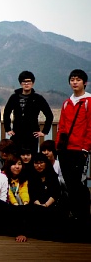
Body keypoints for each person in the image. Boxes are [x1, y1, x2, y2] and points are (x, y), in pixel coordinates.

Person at [56, 69, 91, 220]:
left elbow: (90, 127)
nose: (75, 82)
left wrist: (85, 147)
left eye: (78, 79)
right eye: (72, 80)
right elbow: (62, 126)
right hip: (65, 150)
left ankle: (83, 215)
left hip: (80, 150)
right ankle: (73, 214)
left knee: (78, 183)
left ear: (85, 82)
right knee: (69, 183)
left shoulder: (88, 101)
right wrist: (58, 146)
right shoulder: (66, 103)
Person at [3, 70, 54, 153]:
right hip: (17, 134)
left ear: (33, 83)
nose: (26, 84)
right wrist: (8, 129)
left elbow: (49, 115)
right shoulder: (14, 97)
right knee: (15, 156)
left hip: (32, 135)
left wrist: (44, 131)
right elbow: (6, 113)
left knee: (32, 157)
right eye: (24, 82)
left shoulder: (38, 98)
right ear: (20, 83)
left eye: (29, 81)